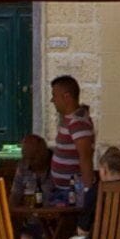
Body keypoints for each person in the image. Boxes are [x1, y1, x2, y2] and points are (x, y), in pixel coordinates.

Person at [44, 75, 97, 209]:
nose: (52, 100)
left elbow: (85, 157)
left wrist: (86, 191)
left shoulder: (78, 123)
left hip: (72, 191)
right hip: (61, 188)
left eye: (55, 96)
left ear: (66, 97)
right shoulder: (66, 119)